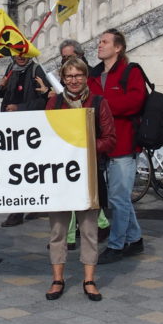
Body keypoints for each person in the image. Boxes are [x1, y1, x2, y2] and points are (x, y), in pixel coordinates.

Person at [44, 56, 115, 302]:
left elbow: (110, 138)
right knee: (58, 229)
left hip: (88, 176)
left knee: (88, 229)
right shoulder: (53, 104)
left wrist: (85, 146)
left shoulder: (98, 102)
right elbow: (44, 138)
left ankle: (89, 279)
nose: (74, 80)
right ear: (63, 79)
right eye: (69, 76)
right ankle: (57, 278)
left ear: (86, 77)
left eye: (78, 75)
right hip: (60, 177)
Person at [89, 28, 146, 264]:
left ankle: (116, 244)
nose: (99, 45)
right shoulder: (93, 74)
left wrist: (102, 105)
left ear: (118, 47)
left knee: (119, 198)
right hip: (102, 145)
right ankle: (135, 239)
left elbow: (135, 102)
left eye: (104, 42)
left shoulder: (131, 72)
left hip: (124, 143)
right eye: (99, 42)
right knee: (117, 197)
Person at [0, 53, 52, 227]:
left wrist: (19, 108)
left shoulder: (37, 70)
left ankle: (20, 210)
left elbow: (42, 102)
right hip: (11, 126)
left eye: (23, 53)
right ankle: (24, 206)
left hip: (30, 127)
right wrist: (2, 87)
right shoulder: (11, 69)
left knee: (28, 168)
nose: (20, 57)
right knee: (15, 166)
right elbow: (1, 94)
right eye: (16, 53)